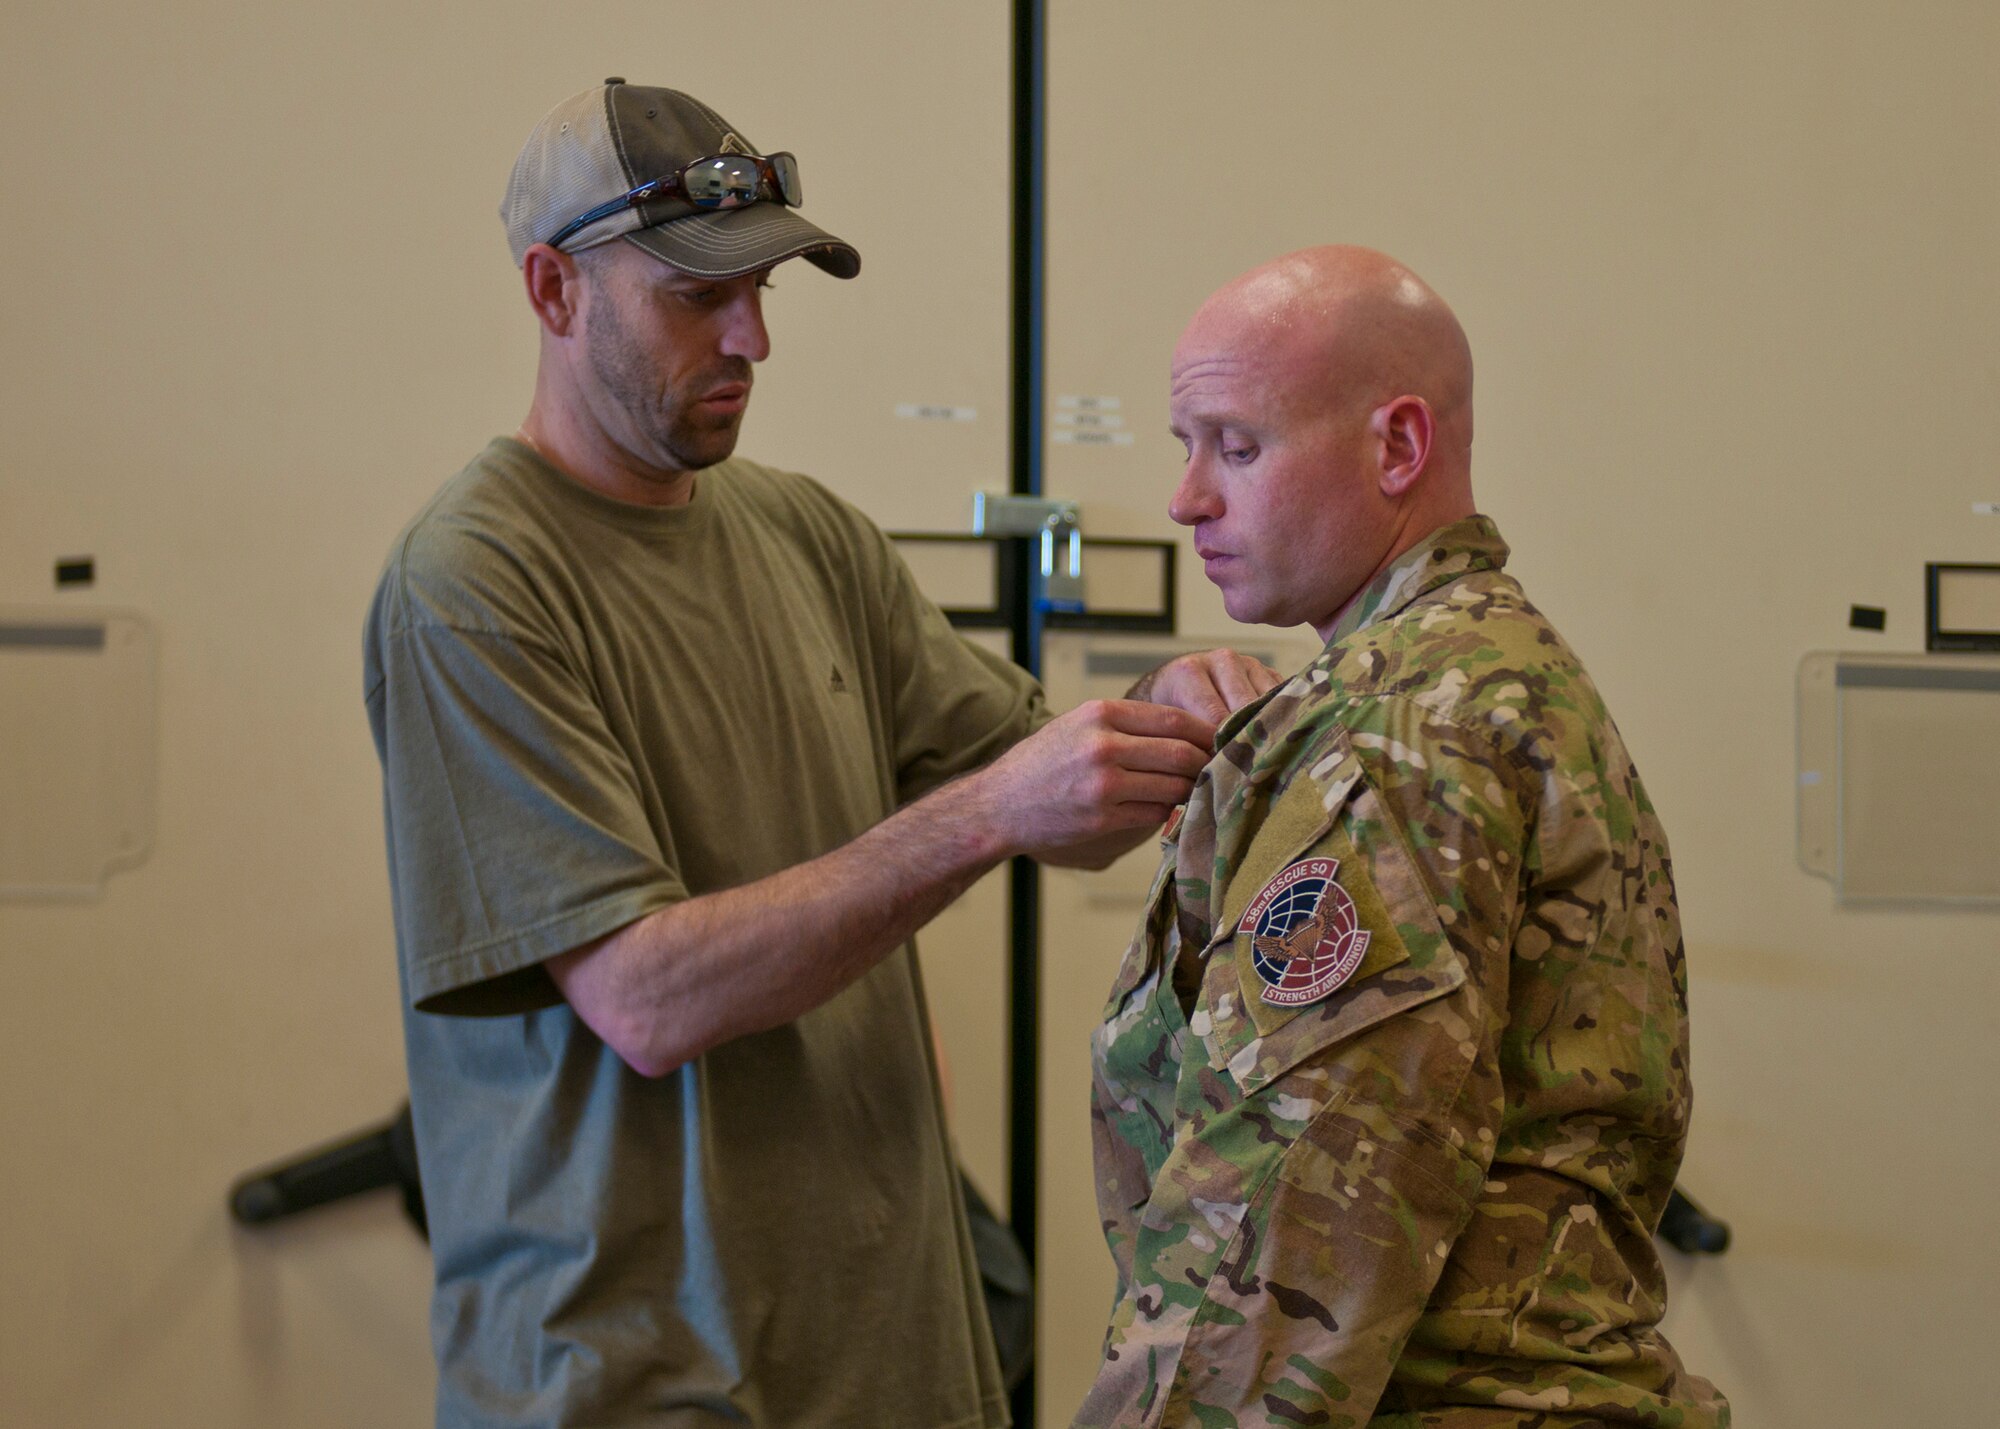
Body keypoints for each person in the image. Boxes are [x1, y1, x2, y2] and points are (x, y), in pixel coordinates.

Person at [364, 80, 1268, 1429]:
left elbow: (1056, 797)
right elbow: (645, 1000)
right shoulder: (475, 583)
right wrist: (985, 815)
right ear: (553, 292)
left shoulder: (808, 537)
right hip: (644, 1379)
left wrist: (1171, 709)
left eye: (766, 291)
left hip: (892, 1361)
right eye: (695, 298)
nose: (752, 339)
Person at [1077, 247, 1730, 1427]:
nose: (1186, 497)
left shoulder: (1390, 731)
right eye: (1185, 445)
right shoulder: (1484, 669)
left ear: (1396, 447)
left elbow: (1300, 1216)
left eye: (1236, 445)